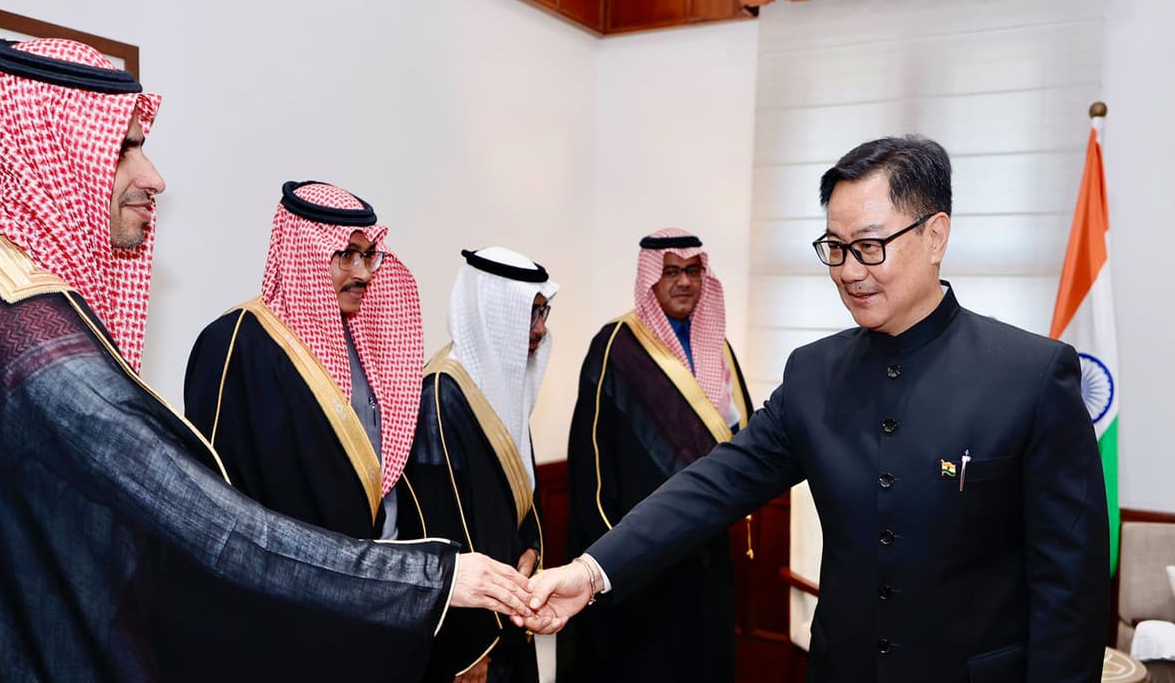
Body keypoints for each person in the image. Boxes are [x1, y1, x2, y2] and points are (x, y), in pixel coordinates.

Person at [0, 38, 532, 682]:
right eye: (124, 148)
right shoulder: (29, 343)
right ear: (45, 156)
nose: (154, 178)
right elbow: (220, 526)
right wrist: (434, 576)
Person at [523, 137, 1110, 683]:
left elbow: (1070, 590)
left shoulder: (1031, 376)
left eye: (870, 246)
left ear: (935, 236)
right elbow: (712, 485)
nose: (849, 271)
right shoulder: (814, 374)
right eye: (835, 247)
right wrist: (591, 572)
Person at [176, 179, 432, 679]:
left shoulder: (370, 341)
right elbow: (215, 502)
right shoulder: (235, 345)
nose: (363, 273)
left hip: (374, 605)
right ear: (304, 254)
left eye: (368, 256)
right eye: (345, 255)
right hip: (281, 619)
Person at [556, 229, 753, 682]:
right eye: (670, 272)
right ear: (650, 279)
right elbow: (591, 463)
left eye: (692, 271)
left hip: (706, 545)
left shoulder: (717, 347)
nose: (683, 282)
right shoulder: (616, 345)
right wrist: (613, 552)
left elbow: (738, 435)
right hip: (640, 551)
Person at [401, 247, 559, 683]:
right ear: (496, 313)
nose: (541, 329)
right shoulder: (439, 395)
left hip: (510, 613)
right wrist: (470, 649)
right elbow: (438, 531)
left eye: (543, 313)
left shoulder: (501, 387)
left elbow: (524, 490)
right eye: (530, 314)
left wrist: (533, 551)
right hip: (471, 642)